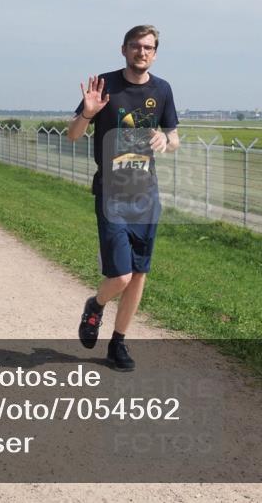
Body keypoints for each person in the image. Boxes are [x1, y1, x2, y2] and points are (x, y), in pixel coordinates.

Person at [67, 25, 179, 371]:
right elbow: (73, 135)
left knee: (140, 274)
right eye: (135, 46)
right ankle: (96, 305)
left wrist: (165, 140)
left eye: (148, 47)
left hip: (146, 196)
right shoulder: (105, 85)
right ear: (124, 49)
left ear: (155, 53)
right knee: (121, 276)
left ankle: (118, 343)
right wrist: (87, 112)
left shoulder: (162, 90)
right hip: (111, 194)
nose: (141, 52)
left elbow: (174, 137)